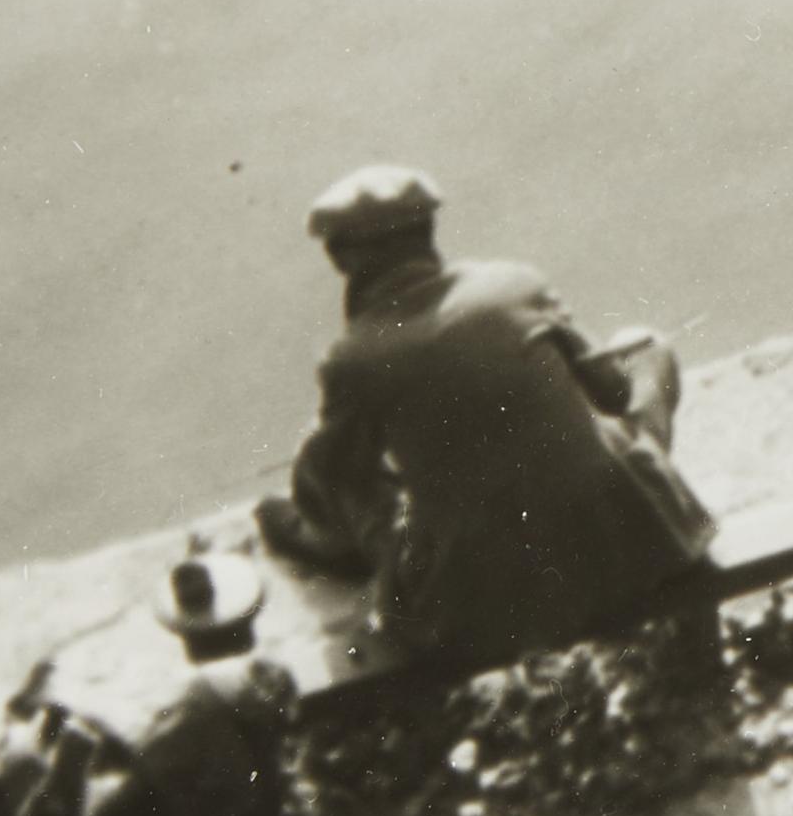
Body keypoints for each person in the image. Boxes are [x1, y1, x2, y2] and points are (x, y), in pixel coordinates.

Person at [254, 166, 720, 689]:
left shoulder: (352, 358)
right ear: (429, 231)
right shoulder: (514, 284)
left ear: (341, 259)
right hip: (636, 548)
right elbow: (612, 392)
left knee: (339, 482)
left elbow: (326, 488)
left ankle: (318, 545)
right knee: (647, 348)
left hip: (479, 611)